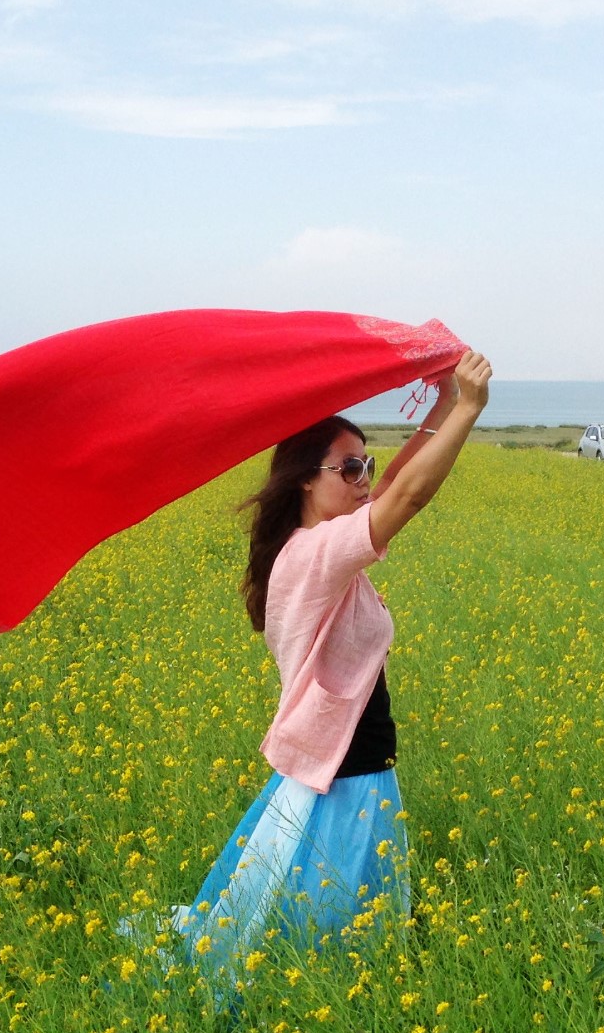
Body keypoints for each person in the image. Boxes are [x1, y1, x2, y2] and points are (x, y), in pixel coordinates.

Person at [169, 349, 493, 986]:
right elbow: (410, 493)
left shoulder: (316, 546)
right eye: (349, 468)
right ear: (305, 480)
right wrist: (471, 407)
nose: (364, 477)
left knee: (300, 919)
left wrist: (440, 403)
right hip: (344, 776)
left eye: (364, 464)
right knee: (326, 938)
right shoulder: (314, 554)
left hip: (346, 762)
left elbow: (395, 480)